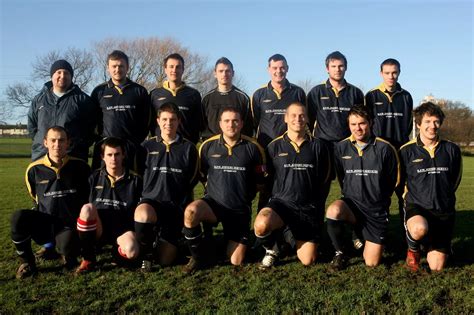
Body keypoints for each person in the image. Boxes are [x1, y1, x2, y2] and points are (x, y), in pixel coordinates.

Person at [182, 106, 266, 273]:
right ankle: (198, 257)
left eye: (235, 120)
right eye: (226, 121)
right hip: (213, 205)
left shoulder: (253, 147)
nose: (231, 124)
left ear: (241, 124)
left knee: (236, 261)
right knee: (191, 212)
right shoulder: (207, 146)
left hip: (239, 209)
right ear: (220, 124)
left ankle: (221, 240)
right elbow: (203, 175)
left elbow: (260, 182)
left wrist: (243, 196)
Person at [253, 102, 330, 268]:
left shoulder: (319, 146)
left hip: (307, 207)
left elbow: (324, 181)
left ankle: (287, 235)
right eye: (293, 115)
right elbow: (267, 181)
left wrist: (318, 208)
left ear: (308, 118)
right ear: (286, 118)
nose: (298, 119)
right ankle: (272, 248)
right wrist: (265, 207)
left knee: (308, 260)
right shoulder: (273, 146)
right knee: (261, 225)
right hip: (282, 204)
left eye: (302, 115)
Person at [325, 105, 399, 271]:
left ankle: (361, 233)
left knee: (371, 262)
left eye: (362, 123)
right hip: (352, 205)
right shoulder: (341, 147)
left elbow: (393, 180)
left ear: (370, 123)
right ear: (348, 125)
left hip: (375, 210)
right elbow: (342, 177)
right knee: (333, 211)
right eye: (353, 124)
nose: (357, 128)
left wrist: (378, 198)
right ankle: (340, 253)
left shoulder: (385, 148)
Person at [11, 126, 91, 279]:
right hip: (45, 225)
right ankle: (27, 262)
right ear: (45, 142)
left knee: (67, 246)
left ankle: (65, 252)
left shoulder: (81, 167)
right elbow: (35, 197)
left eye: (61, 140)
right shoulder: (33, 169)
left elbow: (87, 197)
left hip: (68, 227)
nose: (57, 144)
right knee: (18, 217)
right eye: (53, 140)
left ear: (68, 143)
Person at [307, 51, 365, 248]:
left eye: (340, 66)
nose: (337, 69)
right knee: (319, 193)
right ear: (327, 68)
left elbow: (360, 122)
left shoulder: (355, 93)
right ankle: (316, 233)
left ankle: (357, 232)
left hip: (348, 148)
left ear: (345, 68)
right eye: (333, 66)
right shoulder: (316, 92)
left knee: (352, 190)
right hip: (323, 149)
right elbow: (309, 121)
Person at [133, 102, 199, 271]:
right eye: (164, 119)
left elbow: (193, 177)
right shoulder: (146, 147)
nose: (168, 123)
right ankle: (146, 254)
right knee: (142, 214)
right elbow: (139, 174)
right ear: (158, 120)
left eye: (172, 119)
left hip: (176, 206)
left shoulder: (189, 148)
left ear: (179, 122)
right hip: (152, 202)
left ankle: (170, 240)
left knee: (165, 260)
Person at [400, 102, 462, 272]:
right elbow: (400, 181)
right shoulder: (406, 151)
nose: (432, 126)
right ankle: (413, 249)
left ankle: (433, 244)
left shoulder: (451, 149)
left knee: (437, 266)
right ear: (418, 124)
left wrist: (444, 196)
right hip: (418, 207)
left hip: (443, 210)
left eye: (436, 121)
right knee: (419, 228)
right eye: (427, 122)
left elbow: (455, 178)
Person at [75, 137, 142, 273]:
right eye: (109, 155)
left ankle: (115, 252)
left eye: (117, 154)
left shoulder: (135, 180)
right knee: (87, 209)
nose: (113, 159)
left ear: (123, 155)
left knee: (132, 251)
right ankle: (88, 258)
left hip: (122, 230)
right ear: (102, 157)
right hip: (98, 228)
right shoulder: (93, 178)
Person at [365, 58, 414, 231]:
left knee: (405, 196)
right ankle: (379, 234)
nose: (391, 76)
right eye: (387, 73)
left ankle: (407, 234)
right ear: (381, 74)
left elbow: (408, 124)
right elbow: (367, 124)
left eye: (394, 72)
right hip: (380, 154)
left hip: (401, 153)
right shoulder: (371, 96)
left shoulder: (406, 96)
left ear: (399, 72)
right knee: (380, 196)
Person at [91, 50, 151, 172]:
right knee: (104, 186)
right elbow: (92, 121)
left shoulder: (139, 91)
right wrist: (101, 140)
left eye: (121, 66)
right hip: (107, 150)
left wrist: (135, 141)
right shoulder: (99, 92)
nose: (117, 70)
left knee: (132, 185)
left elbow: (146, 121)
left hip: (131, 149)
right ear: (108, 68)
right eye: (114, 66)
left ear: (127, 67)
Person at [27, 59, 96, 162]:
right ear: (52, 76)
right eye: (58, 72)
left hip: (73, 158)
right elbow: (32, 127)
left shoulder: (83, 100)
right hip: (42, 157)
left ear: (71, 77)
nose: (62, 76)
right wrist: (42, 142)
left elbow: (91, 129)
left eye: (66, 73)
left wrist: (76, 145)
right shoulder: (39, 100)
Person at [251, 54, 306, 148]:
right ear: (268, 69)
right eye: (274, 68)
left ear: (287, 68)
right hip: (266, 146)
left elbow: (305, 121)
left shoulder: (298, 92)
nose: (279, 71)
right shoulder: (258, 94)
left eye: (282, 68)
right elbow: (254, 123)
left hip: (291, 147)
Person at [149, 53, 202, 144]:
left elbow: (198, 123)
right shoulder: (154, 94)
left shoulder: (193, 94)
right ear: (165, 69)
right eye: (171, 66)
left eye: (178, 67)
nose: (174, 70)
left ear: (183, 70)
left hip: (186, 147)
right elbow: (149, 123)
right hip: (160, 147)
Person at [201, 57, 253, 140]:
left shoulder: (243, 98)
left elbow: (248, 126)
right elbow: (203, 126)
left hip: (237, 145)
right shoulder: (206, 99)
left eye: (227, 71)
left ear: (233, 73)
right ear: (215, 73)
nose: (224, 74)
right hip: (212, 147)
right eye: (221, 71)